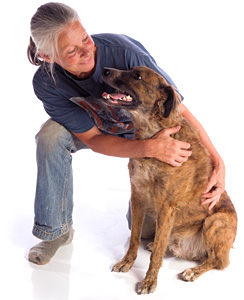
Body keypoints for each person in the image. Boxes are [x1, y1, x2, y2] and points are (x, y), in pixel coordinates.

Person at [27, 2, 225, 265]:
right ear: (48, 57)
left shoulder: (124, 53)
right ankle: (55, 232)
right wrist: (147, 150)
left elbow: (179, 112)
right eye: (72, 50)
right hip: (99, 130)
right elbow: (93, 139)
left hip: (143, 130)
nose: (86, 51)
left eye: (85, 38)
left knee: (144, 232)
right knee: (50, 136)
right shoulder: (46, 83)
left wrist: (217, 161)